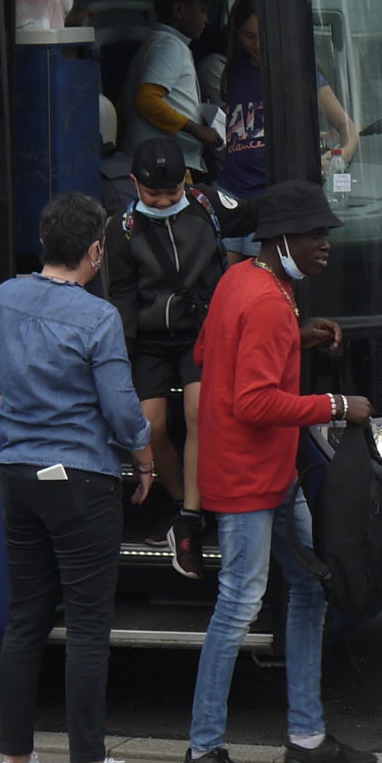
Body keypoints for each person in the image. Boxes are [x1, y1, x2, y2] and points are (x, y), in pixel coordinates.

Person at [179, 180, 379, 763]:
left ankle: (309, 741)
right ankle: (202, 750)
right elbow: (255, 400)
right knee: (239, 605)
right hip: (250, 478)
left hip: (266, 471)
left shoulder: (244, 280)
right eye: (316, 235)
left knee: (309, 587)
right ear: (281, 238)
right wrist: (338, 404)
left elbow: (211, 352)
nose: (325, 245)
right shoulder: (268, 299)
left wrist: (299, 338)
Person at [0, 192, 159, 763]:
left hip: (16, 471)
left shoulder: (5, 298)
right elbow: (119, 406)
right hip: (79, 477)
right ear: (95, 249)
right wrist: (143, 457)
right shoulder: (97, 317)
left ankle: (16, 759)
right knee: (87, 624)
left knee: (24, 619)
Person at [101, 136, 223, 508]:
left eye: (172, 191)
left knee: (198, 412)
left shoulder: (206, 206)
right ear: (135, 183)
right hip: (150, 340)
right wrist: (122, 355)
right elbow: (122, 295)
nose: (165, 201)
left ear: (186, 178)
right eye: (154, 194)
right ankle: (180, 499)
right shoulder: (121, 229)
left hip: (198, 333)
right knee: (150, 426)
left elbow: (255, 215)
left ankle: (193, 511)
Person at [214, 0, 359, 216]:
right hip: (232, 196)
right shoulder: (234, 71)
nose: (259, 44)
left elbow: (346, 127)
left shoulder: (302, 74)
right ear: (237, 34)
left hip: (276, 204)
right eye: (249, 36)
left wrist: (339, 156)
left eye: (265, 34)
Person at [121, 0, 226, 174]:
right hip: (163, 166)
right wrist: (197, 130)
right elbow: (147, 100)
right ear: (179, 10)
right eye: (202, 11)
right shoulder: (169, 46)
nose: (206, 20)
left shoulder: (156, 42)